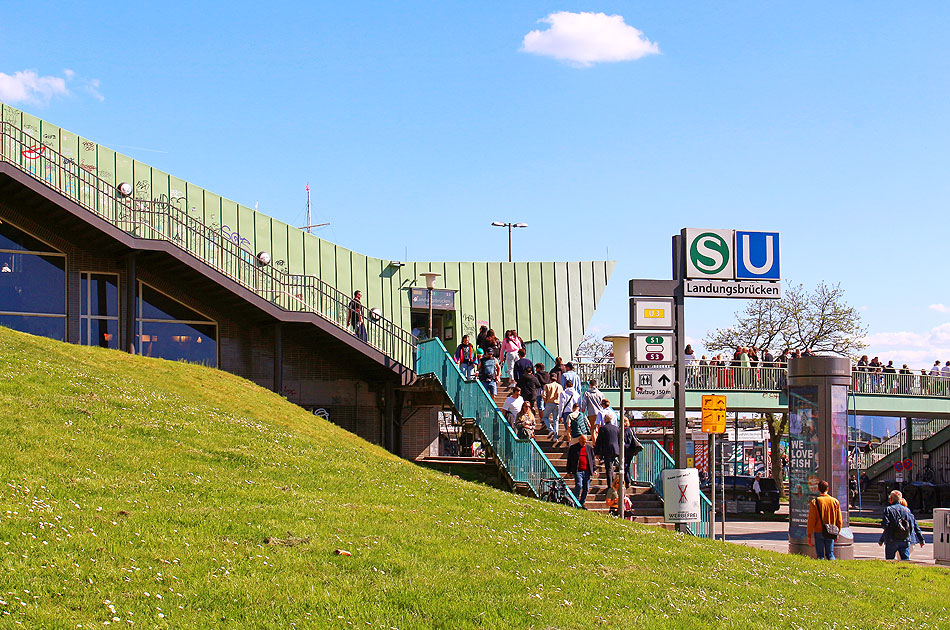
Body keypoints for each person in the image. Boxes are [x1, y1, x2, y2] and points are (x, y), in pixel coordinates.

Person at [879, 489, 925, 561]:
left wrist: (882, 539)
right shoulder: (907, 510)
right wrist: (921, 539)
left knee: (890, 561)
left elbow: (885, 525)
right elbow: (913, 525)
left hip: (892, 539)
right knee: (905, 561)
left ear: (890, 499)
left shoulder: (888, 509)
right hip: (905, 539)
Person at [807, 480, 843, 560]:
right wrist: (837, 532)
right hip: (831, 530)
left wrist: (809, 535)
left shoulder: (815, 502)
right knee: (830, 554)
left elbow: (811, 519)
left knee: (820, 555)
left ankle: (821, 569)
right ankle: (833, 567)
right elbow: (839, 520)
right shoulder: (835, 501)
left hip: (818, 530)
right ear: (827, 489)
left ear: (818, 489)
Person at [567, 434, 596, 507]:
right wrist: (569, 471)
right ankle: (575, 501)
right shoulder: (573, 448)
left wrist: (594, 469)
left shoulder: (589, 448)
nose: (584, 443)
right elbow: (569, 460)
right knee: (579, 485)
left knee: (586, 488)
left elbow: (592, 460)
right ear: (579, 440)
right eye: (583, 442)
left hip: (587, 471)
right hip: (578, 470)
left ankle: (581, 503)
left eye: (585, 442)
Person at [595, 419, 621, 493]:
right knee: (611, 467)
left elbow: (599, 440)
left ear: (605, 420)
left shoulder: (603, 428)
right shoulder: (616, 428)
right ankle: (614, 484)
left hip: (607, 450)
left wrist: (597, 452)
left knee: (609, 468)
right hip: (615, 449)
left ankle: (610, 485)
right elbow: (619, 440)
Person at [540, 372, 563, 439]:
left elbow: (543, 395)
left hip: (549, 402)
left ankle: (551, 429)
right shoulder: (560, 386)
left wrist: (546, 401)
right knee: (556, 420)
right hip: (557, 403)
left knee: (545, 417)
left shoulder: (547, 385)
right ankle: (555, 437)